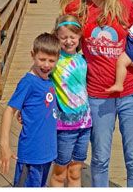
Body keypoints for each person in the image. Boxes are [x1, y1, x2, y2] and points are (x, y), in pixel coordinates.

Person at [59, 0, 133, 187]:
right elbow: (60, 45)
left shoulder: (127, 5)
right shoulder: (77, 7)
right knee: (99, 159)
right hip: (97, 95)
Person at [0, 32, 60, 187]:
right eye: (42, 59)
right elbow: (9, 111)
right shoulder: (28, 82)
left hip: (47, 151)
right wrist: (4, 145)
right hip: (31, 154)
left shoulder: (49, 80)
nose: (46, 65)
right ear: (33, 55)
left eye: (51, 61)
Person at [49, 16, 92, 188]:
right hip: (64, 127)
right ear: (56, 38)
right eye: (63, 37)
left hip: (85, 124)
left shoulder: (83, 60)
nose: (68, 41)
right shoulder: (53, 62)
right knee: (60, 172)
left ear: (79, 37)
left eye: (73, 37)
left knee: (75, 171)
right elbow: (34, 80)